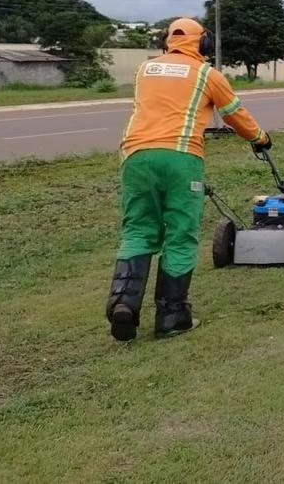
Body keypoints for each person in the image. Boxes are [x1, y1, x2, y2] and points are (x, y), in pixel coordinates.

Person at [106, 17, 271, 341]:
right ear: (203, 43)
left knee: (139, 229)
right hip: (181, 157)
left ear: (166, 41)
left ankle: (123, 302)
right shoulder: (207, 74)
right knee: (180, 234)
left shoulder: (144, 70)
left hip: (135, 156)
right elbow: (234, 114)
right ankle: (172, 316)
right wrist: (260, 138)